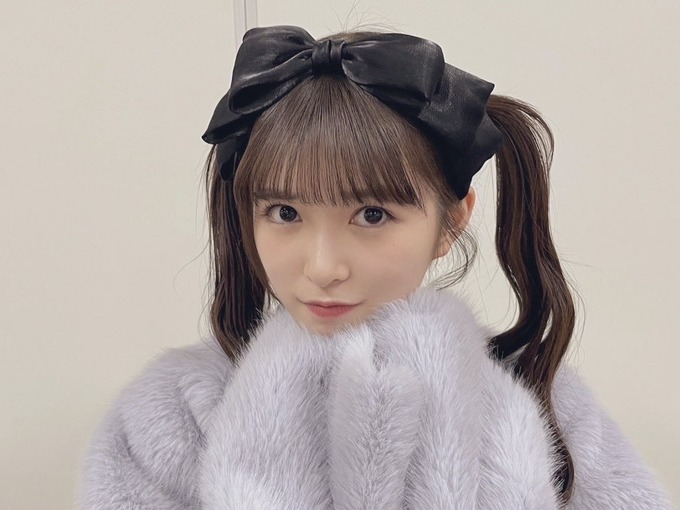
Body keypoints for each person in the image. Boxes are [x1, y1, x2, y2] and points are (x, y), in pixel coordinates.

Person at [79, 25, 673, 509]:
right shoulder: (171, 410)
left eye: (371, 214)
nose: (323, 267)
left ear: (452, 220)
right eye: (285, 212)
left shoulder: (545, 397)